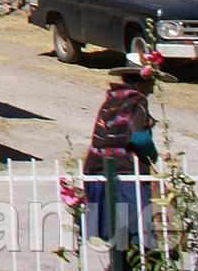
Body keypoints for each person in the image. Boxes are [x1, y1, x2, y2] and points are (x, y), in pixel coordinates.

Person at [82, 65, 157, 270]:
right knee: (136, 233)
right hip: (126, 176)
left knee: (116, 232)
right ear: (141, 81)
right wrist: (152, 154)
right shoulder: (137, 101)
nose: (153, 88)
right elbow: (139, 138)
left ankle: (117, 264)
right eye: (152, 82)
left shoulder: (111, 101)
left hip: (100, 172)